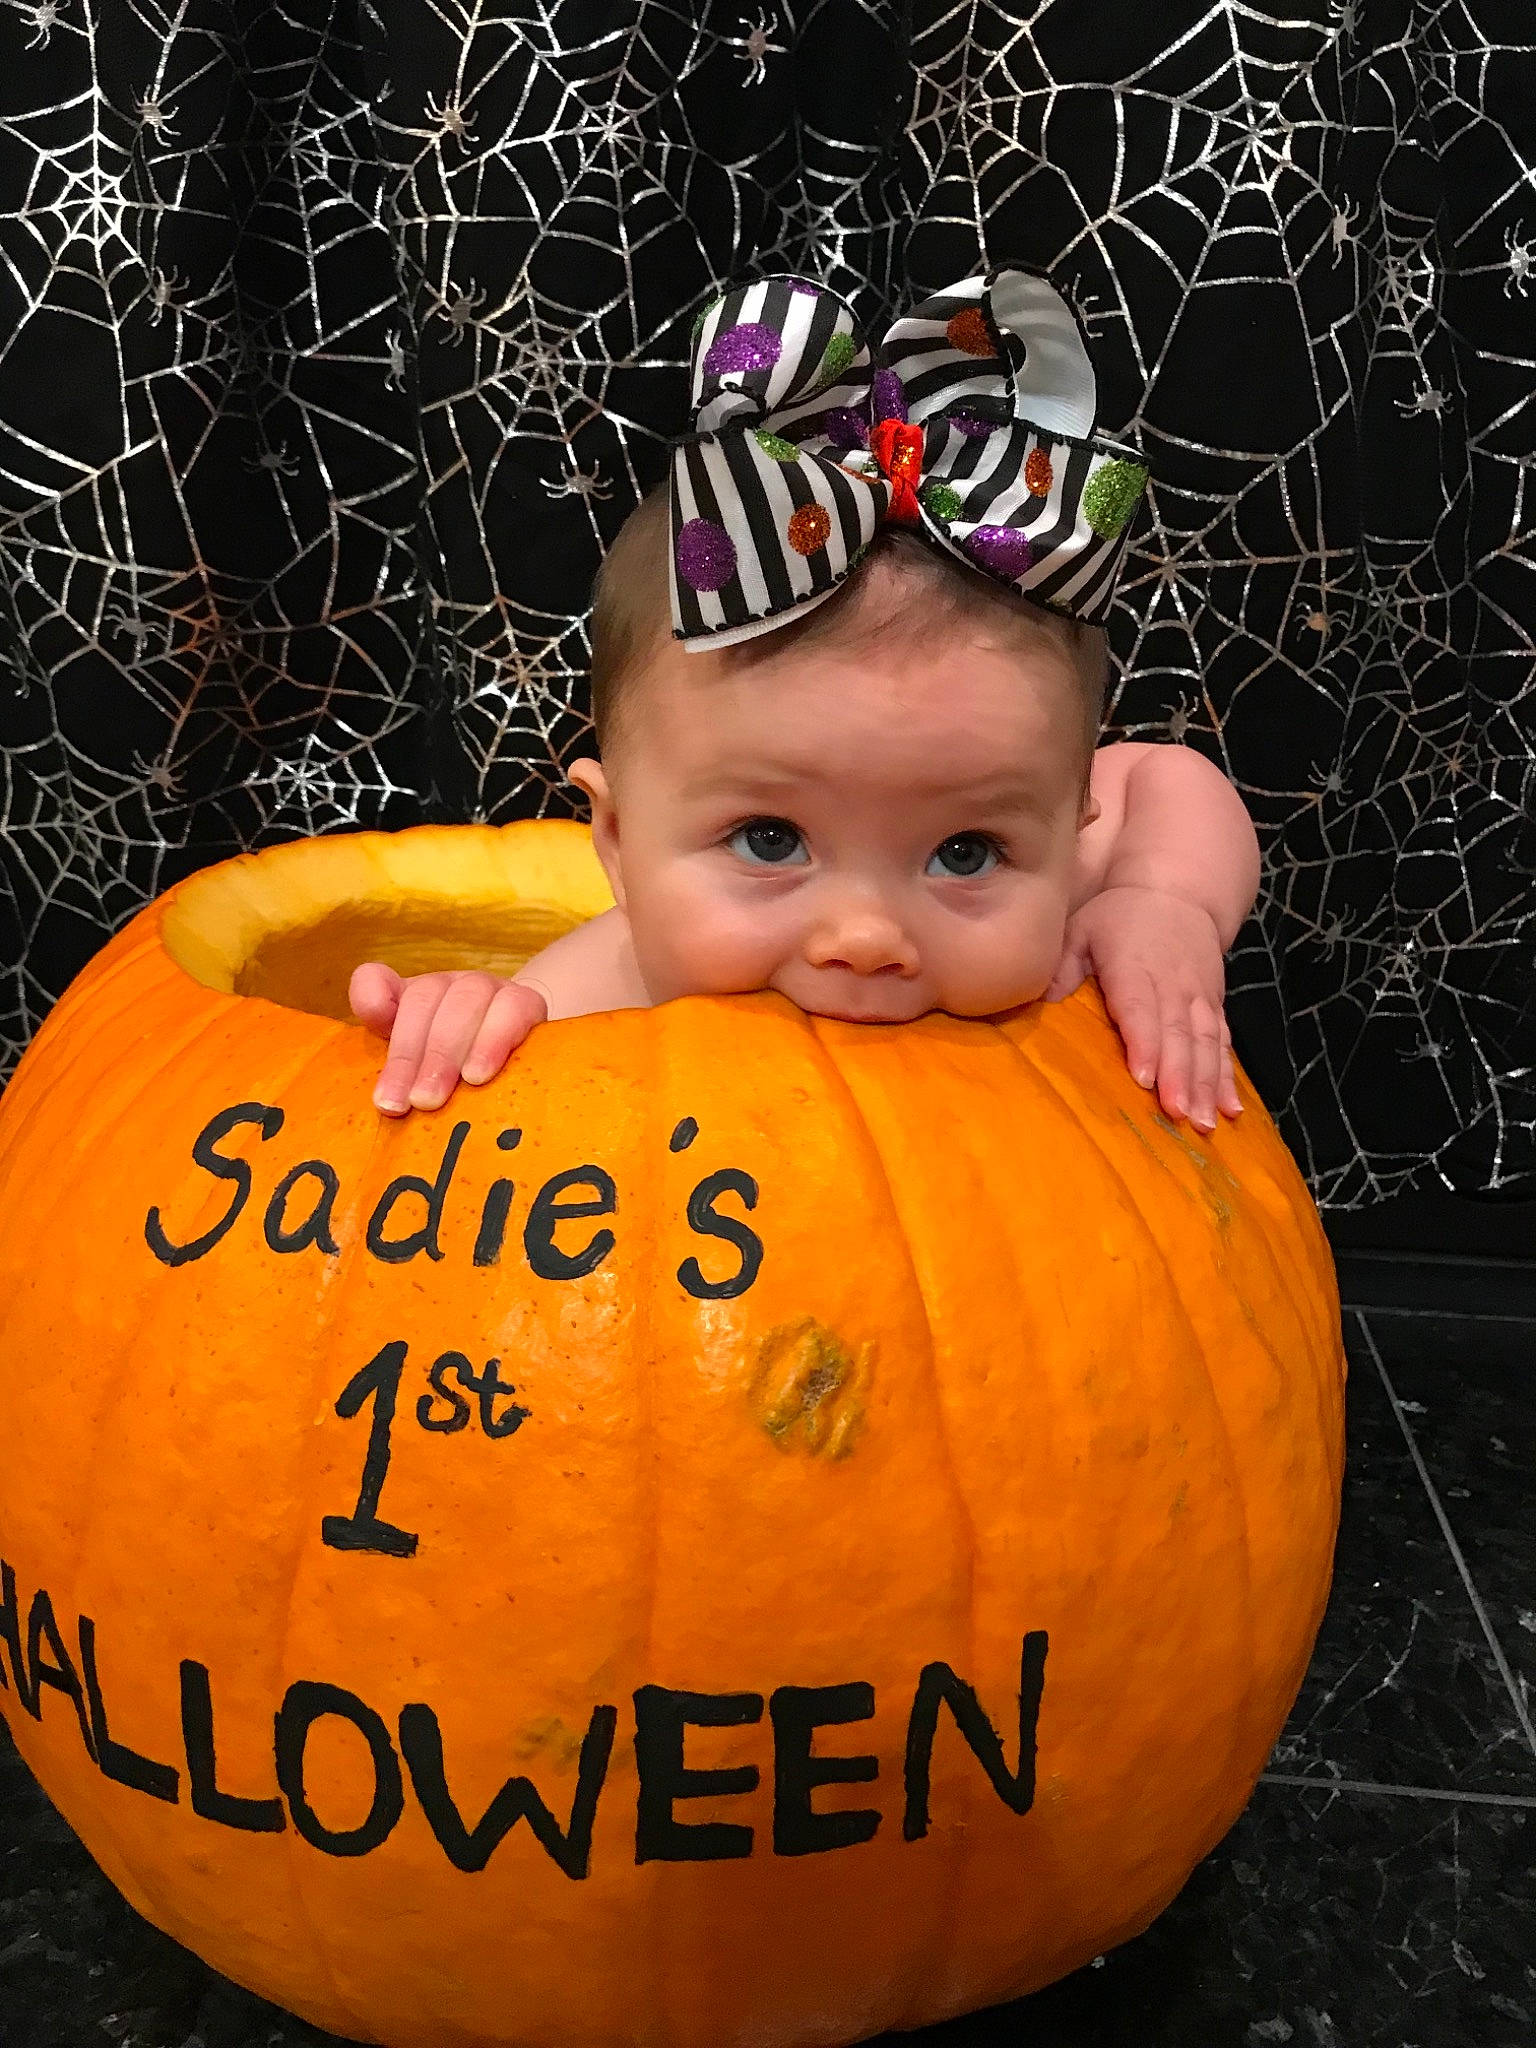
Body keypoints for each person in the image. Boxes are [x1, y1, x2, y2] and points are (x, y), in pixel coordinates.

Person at [352, 271, 1260, 1135]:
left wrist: (1163, 902)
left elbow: (1166, 776)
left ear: (1070, 830)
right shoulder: (592, 996)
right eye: (769, 839)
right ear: (618, 843)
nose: (866, 938)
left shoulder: (1059, 909)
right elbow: (506, 1188)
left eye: (965, 851)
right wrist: (465, 1023)